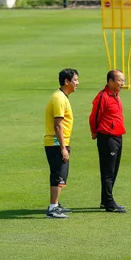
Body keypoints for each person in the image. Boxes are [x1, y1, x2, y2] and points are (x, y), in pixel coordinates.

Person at [89, 70, 127, 213]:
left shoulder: (116, 95)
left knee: (114, 170)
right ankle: (109, 203)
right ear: (110, 81)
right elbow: (94, 116)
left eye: (123, 80)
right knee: (108, 172)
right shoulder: (103, 96)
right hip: (107, 137)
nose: (122, 83)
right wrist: (94, 131)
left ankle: (105, 200)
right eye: (119, 80)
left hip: (117, 136)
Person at [44, 68, 79, 219]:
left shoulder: (62, 97)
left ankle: (56, 204)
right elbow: (57, 125)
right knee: (58, 175)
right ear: (67, 81)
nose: (78, 83)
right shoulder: (59, 98)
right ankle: (53, 208)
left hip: (59, 142)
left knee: (61, 173)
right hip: (56, 143)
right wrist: (63, 148)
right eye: (75, 80)